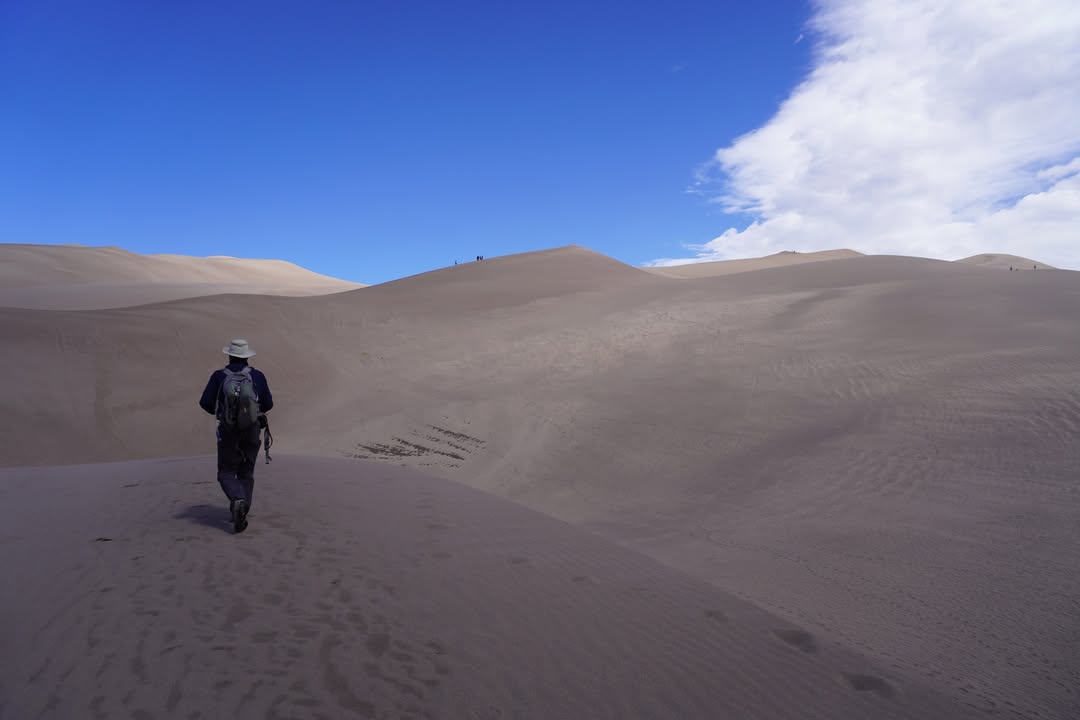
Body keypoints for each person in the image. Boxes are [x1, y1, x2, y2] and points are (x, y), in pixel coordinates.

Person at [199, 339, 274, 532]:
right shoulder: (257, 376)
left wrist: (224, 412)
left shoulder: (219, 376)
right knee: (246, 472)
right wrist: (249, 412)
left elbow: (205, 403)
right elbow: (268, 404)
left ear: (229, 355)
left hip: (228, 430)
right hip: (252, 429)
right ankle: (242, 508)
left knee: (225, 472)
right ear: (247, 356)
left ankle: (237, 499)